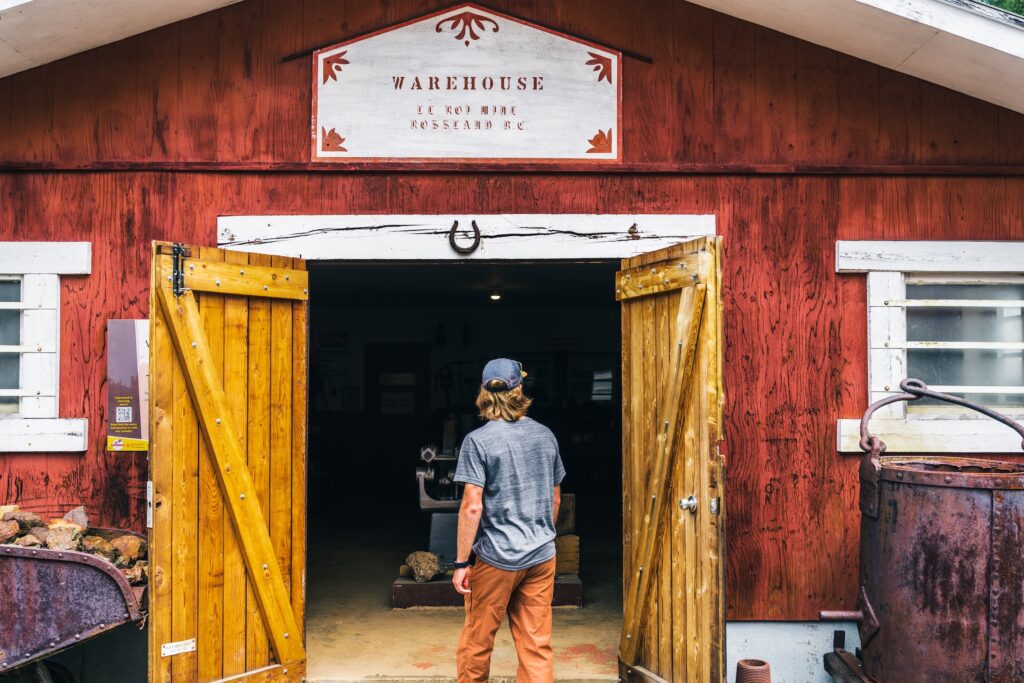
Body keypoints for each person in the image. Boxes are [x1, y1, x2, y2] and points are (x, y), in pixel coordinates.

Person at [452, 358, 565, 683]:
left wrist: (461, 562)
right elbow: (555, 499)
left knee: (477, 641)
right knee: (536, 645)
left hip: (497, 558)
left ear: (483, 393)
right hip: (541, 557)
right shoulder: (545, 436)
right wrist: (542, 536)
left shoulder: (478, 441)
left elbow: (472, 507)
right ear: (519, 389)